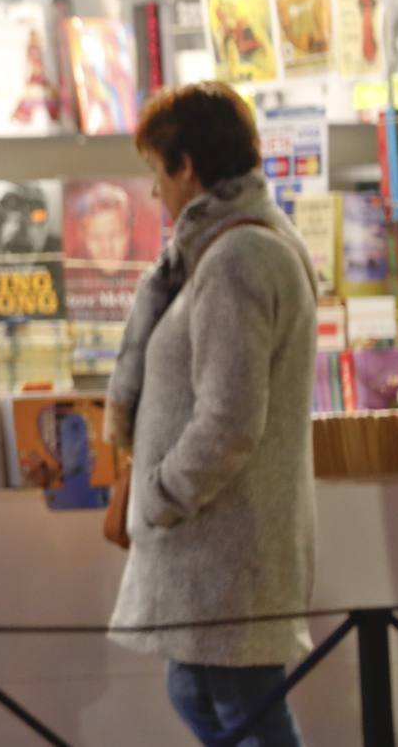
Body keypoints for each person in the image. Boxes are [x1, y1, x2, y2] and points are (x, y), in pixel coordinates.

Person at [105, 82, 317, 747]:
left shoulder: (237, 257)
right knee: (198, 690)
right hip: (218, 541)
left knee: (241, 707)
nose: (152, 191)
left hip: (227, 541)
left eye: (153, 170)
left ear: (186, 166)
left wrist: (159, 494)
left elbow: (228, 418)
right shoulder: (222, 250)